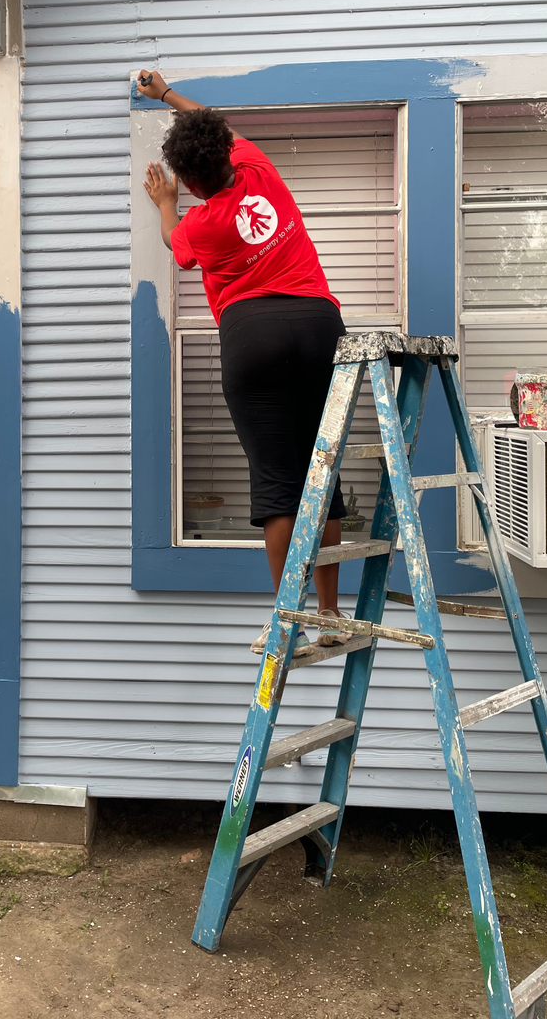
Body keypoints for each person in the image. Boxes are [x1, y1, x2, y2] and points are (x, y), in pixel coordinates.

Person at [137, 68, 352, 658]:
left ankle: (290, 619)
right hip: (317, 324)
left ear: (190, 179)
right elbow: (212, 121)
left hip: (252, 334)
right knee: (323, 473)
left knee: (278, 487)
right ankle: (333, 614)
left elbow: (173, 243)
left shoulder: (201, 224)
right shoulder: (258, 167)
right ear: (227, 153)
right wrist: (166, 95)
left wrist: (164, 202)